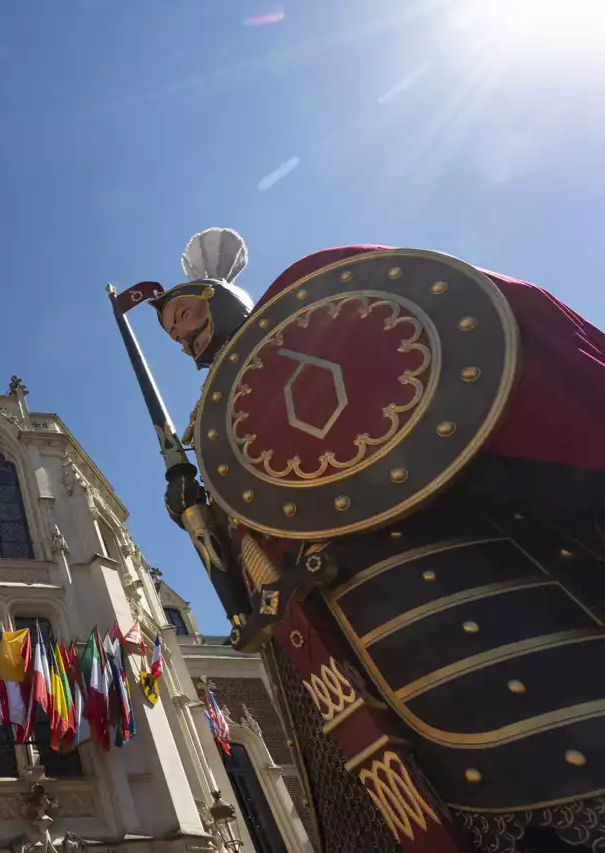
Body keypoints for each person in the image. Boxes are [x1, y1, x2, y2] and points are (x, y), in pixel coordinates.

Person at [150, 231, 605, 851]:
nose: (180, 338)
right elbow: (263, 559)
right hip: (348, 652)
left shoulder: (315, 304)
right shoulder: (217, 421)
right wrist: (201, 519)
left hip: (453, 599)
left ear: (219, 296)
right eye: (171, 333)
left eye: (184, 316)